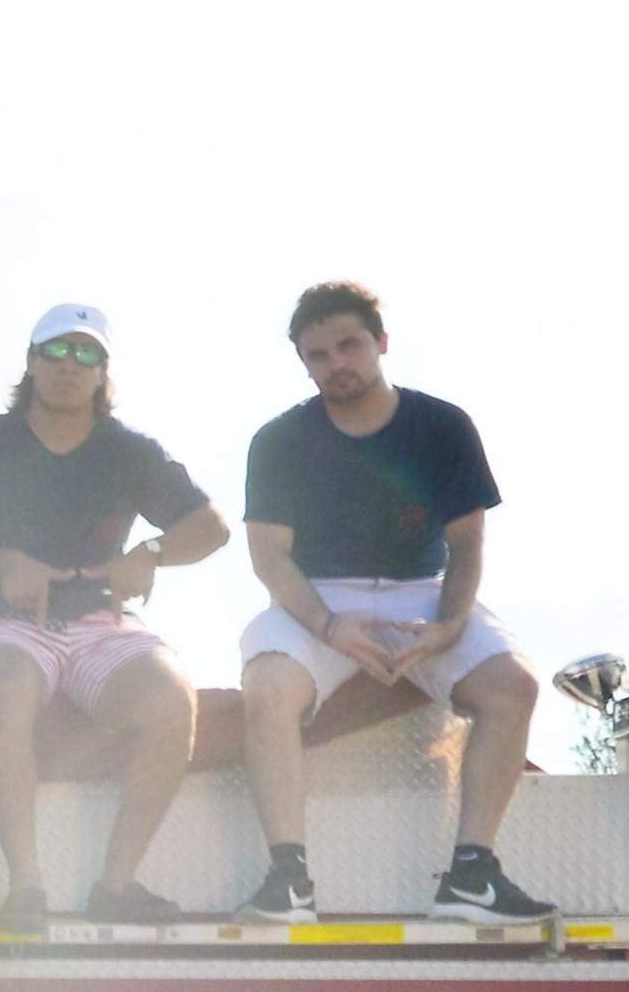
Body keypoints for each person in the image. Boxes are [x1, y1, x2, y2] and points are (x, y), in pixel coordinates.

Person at [235, 281, 551, 921]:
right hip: (317, 598)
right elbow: (270, 557)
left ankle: (471, 877)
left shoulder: (443, 426)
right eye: (318, 355)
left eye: (348, 345)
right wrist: (328, 626)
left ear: (381, 342)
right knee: (267, 687)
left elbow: (466, 544)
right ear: (303, 362)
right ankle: (289, 879)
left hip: (422, 594)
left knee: (514, 686)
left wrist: (449, 624)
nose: (336, 364)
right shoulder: (278, 440)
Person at [0, 303, 228, 919]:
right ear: (31, 362)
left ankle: (116, 885)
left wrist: (150, 552)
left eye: (88, 355)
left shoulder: (127, 450)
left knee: (172, 698)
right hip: (10, 627)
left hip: (103, 627)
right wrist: (4, 565)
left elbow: (211, 528)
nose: (72, 367)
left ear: (104, 372)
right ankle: (26, 886)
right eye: (58, 352)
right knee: (8, 689)